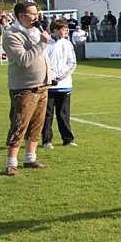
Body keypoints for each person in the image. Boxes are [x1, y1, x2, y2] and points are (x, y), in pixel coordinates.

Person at [2, 1, 54, 176]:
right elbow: (24, 60)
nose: (36, 16)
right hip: (24, 88)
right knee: (19, 125)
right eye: (32, 14)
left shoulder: (36, 32)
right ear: (21, 16)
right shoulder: (11, 35)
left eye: (37, 13)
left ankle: (30, 158)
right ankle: (11, 163)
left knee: (37, 125)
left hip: (42, 85)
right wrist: (42, 44)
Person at [42, 18, 78, 149]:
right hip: (48, 85)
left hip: (64, 84)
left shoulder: (67, 44)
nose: (66, 31)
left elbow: (72, 63)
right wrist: (50, 76)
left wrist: (59, 77)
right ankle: (47, 140)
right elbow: (42, 61)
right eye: (63, 29)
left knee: (63, 114)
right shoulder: (45, 43)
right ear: (55, 30)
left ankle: (67, 139)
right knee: (47, 114)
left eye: (66, 29)